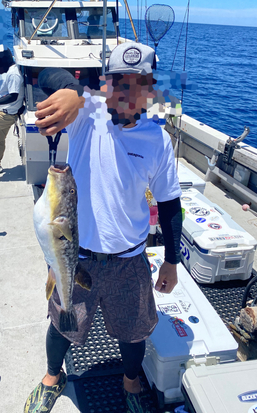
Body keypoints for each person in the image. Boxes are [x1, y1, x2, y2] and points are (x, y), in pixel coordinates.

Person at [24, 41, 183, 413]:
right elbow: (42, 74)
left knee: (134, 332)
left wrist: (173, 261)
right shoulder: (85, 112)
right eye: (118, 82)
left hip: (130, 261)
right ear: (105, 84)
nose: (127, 92)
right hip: (75, 254)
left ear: (151, 87)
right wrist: (71, 90)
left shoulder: (157, 140)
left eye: (138, 83)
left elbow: (170, 204)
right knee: (63, 325)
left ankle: (131, 381)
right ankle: (52, 375)